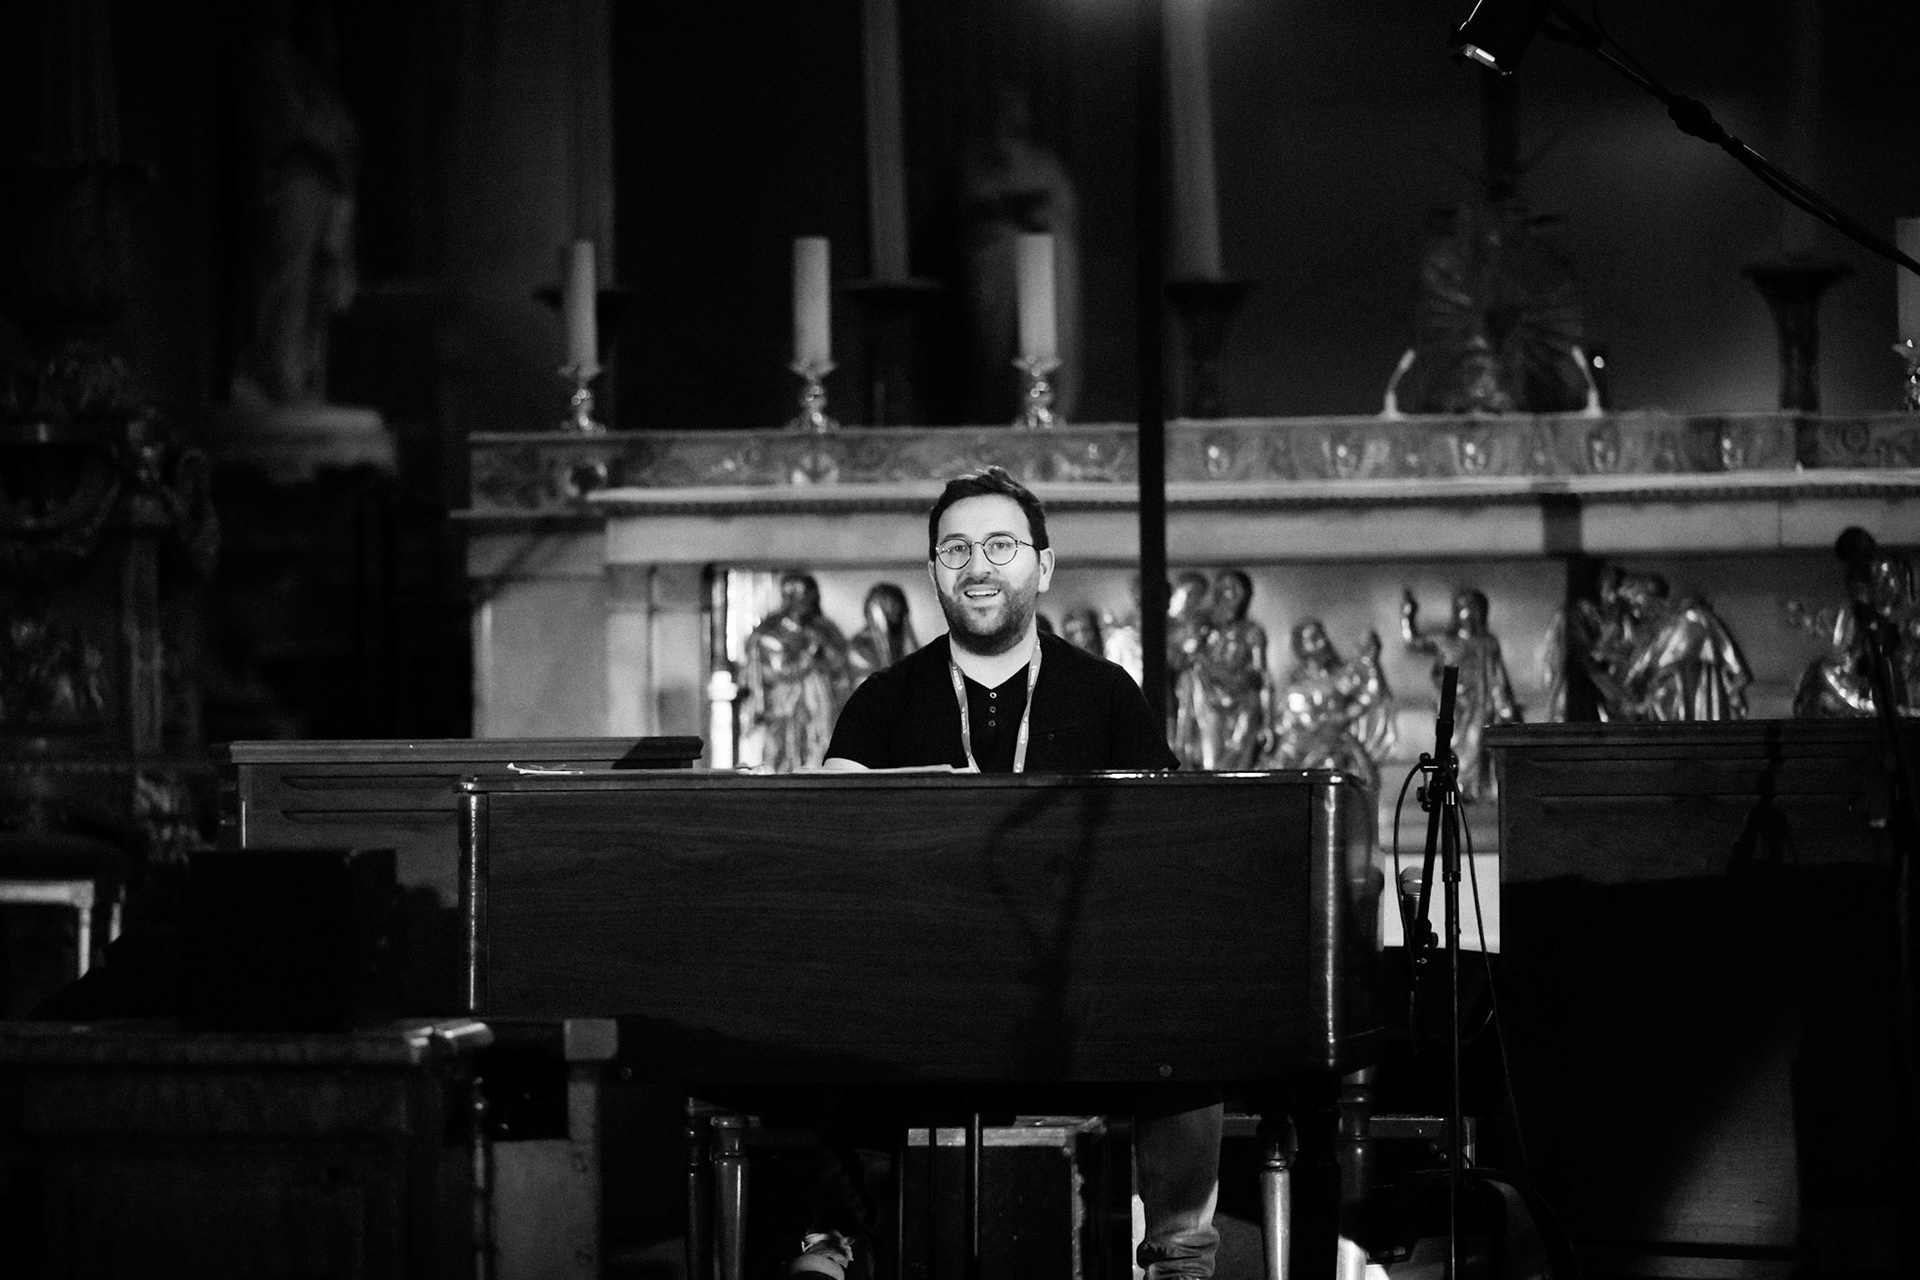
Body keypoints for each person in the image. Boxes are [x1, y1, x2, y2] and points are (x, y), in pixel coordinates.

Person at [821, 466, 1224, 1280]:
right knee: (808, 992)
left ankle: (1180, 1254)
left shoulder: (1109, 696)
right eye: (956, 548)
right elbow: (829, 854)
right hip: (919, 984)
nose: (977, 565)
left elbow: (1167, 852)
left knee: (1195, 1004)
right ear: (933, 570)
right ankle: (831, 1243)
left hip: (1083, 990)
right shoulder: (883, 699)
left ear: (1042, 567)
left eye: (1000, 545)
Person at [1401, 588, 1522, 801]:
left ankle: (1473, 791)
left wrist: (1504, 705)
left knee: (1476, 745)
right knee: (1451, 748)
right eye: (1462, 608)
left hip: (1479, 702)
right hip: (1451, 706)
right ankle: (1453, 790)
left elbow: (1497, 676)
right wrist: (1407, 616)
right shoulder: (1446, 641)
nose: (1467, 613)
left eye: (1471, 608)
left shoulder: (1487, 643)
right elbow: (1414, 642)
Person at [742, 572, 854, 772]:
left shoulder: (825, 629)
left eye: (807, 596)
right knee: (785, 750)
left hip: (820, 705)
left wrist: (823, 650)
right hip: (786, 706)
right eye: (795, 596)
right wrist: (809, 653)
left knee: (820, 747)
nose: (802, 602)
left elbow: (840, 664)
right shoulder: (772, 631)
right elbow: (779, 670)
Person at [1190, 570, 1271, 771]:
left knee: (1240, 762)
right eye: (1224, 589)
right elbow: (1189, 660)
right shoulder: (1207, 631)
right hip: (1209, 699)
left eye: (1236, 590)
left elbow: (1262, 677)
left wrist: (1269, 722)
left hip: (1244, 702)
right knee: (1212, 763)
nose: (1230, 595)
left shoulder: (1252, 631)